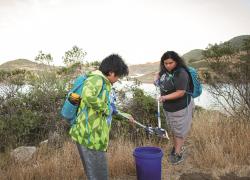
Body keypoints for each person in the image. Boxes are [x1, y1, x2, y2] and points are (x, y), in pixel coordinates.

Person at [69, 54, 134, 180]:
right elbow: (88, 96)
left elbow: (109, 107)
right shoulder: (97, 79)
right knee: (99, 174)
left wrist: (124, 115)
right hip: (91, 136)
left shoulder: (105, 83)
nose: (118, 79)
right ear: (111, 72)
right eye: (118, 75)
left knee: (93, 173)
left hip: (92, 135)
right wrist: (106, 109)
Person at [154, 51, 194, 165]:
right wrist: (156, 77)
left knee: (179, 131)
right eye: (165, 63)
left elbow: (181, 92)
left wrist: (164, 97)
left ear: (176, 61)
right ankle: (177, 147)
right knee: (174, 129)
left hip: (180, 108)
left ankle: (177, 153)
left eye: (170, 63)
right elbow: (159, 79)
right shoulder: (165, 71)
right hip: (169, 108)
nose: (168, 65)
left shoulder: (181, 73)